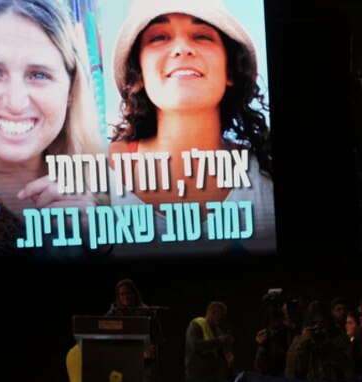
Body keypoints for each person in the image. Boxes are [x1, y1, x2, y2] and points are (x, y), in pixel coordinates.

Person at [0, 0, 106, 262]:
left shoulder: (100, 181)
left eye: (38, 75)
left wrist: (98, 238)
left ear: (70, 89)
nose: (15, 103)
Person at [109, 0, 275, 256]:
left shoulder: (267, 179)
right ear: (138, 73)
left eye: (201, 36)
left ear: (230, 69)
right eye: (160, 37)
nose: (182, 49)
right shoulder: (94, 180)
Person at [184, 302, 234, 382]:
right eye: (220, 316)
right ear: (212, 312)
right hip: (197, 374)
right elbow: (195, 345)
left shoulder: (217, 329)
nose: (222, 319)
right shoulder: (196, 325)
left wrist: (228, 352)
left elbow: (222, 348)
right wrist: (219, 341)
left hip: (214, 372)